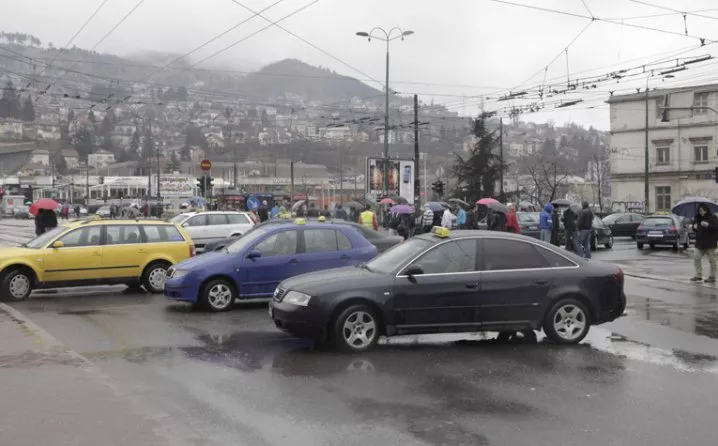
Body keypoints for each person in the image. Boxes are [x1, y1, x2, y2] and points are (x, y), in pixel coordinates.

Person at [691, 203, 718, 283]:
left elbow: (716, 228)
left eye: (702, 210)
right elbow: (695, 229)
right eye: (700, 211)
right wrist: (694, 227)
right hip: (699, 242)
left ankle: (712, 276)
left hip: (710, 242)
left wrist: (708, 225)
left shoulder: (713, 217)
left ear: (706, 210)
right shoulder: (697, 218)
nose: (701, 212)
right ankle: (698, 275)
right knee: (696, 257)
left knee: (712, 260)